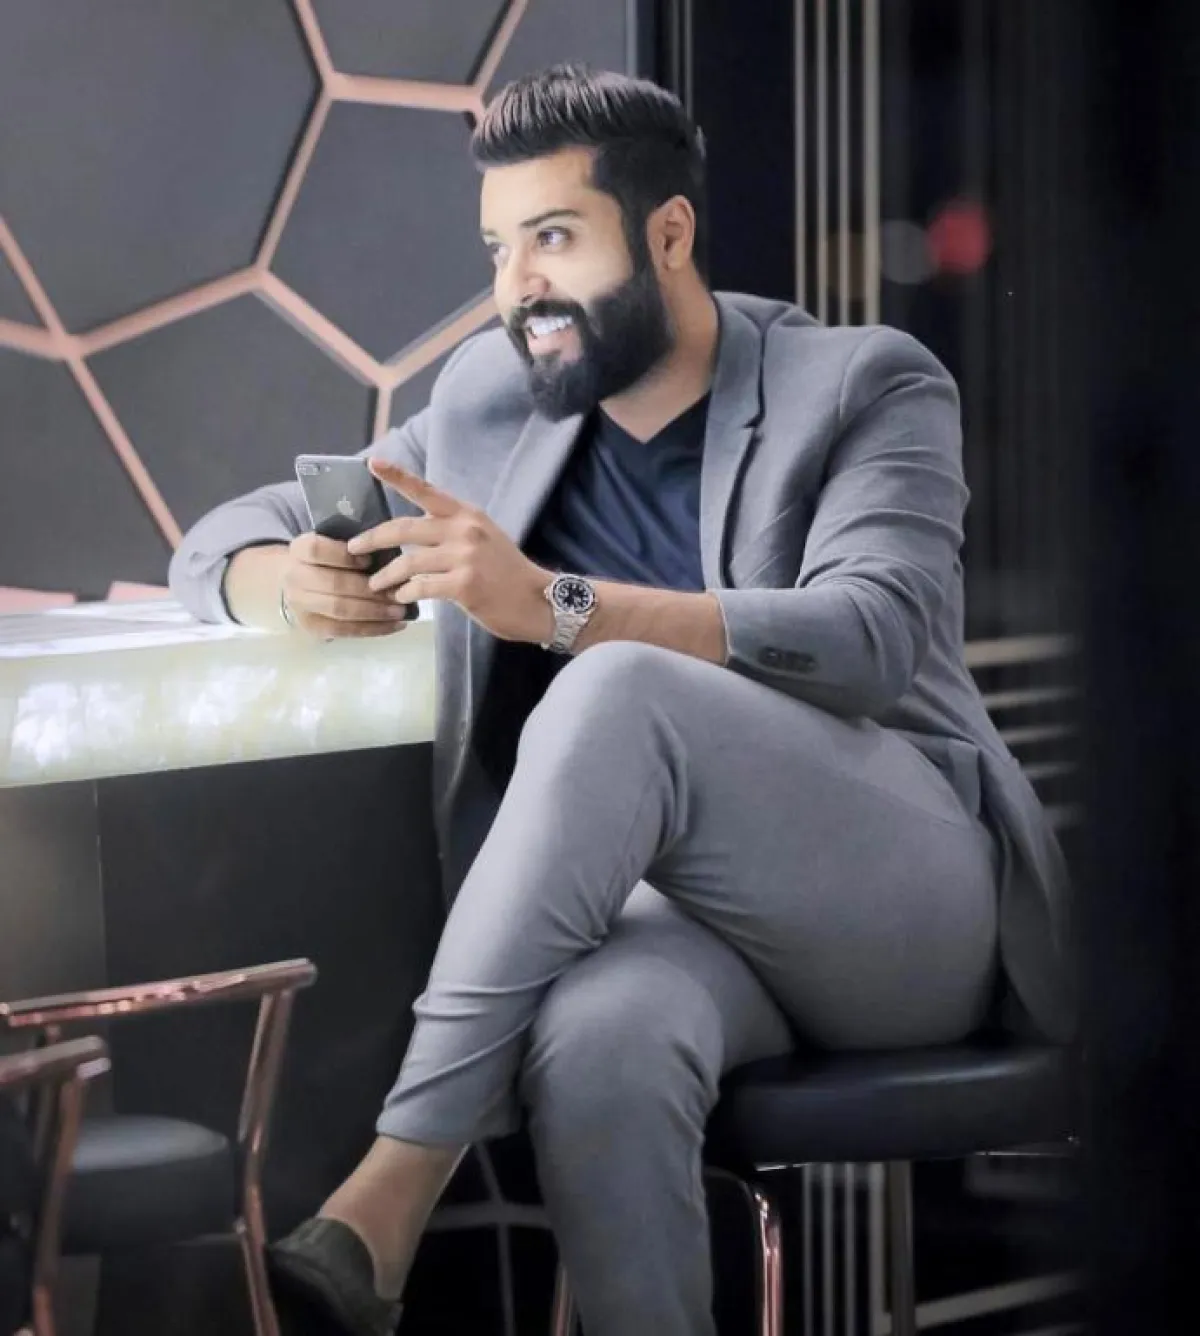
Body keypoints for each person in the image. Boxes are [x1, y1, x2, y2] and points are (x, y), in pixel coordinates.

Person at [169, 63, 1073, 1336]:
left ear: (668, 233)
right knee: (597, 1043)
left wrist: (557, 605)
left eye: (553, 237)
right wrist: (287, 581)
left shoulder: (864, 384)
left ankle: (393, 1184)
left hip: (904, 906)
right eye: (498, 248)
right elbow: (217, 536)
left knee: (622, 684)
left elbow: (870, 636)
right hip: (681, 926)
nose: (516, 287)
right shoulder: (490, 407)